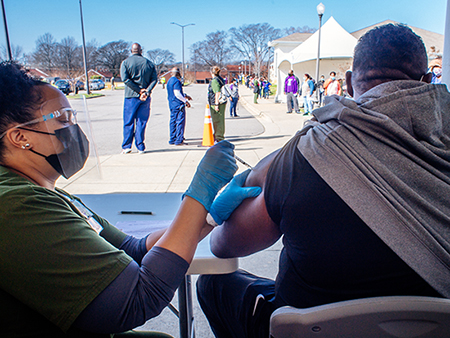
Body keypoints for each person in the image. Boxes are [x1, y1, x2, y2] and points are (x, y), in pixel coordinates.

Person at [196, 24, 450, 338]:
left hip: (307, 328)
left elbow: (223, 246)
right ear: (427, 81)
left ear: (346, 83)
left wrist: (217, 213)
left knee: (213, 283)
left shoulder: (305, 154)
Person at [0, 61, 263, 337]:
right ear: (19, 137)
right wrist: (200, 193)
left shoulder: (45, 193)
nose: (74, 130)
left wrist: (209, 216)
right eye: (63, 119)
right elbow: (137, 299)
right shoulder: (17, 206)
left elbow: (133, 249)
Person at [120, 43, 157, 154]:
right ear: (141, 50)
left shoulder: (125, 63)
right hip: (145, 97)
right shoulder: (149, 64)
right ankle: (140, 146)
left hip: (131, 96)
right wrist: (146, 91)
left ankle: (127, 146)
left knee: (129, 121)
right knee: (142, 122)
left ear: (131, 50)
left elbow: (125, 79)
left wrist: (137, 90)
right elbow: (154, 79)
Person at [167, 67, 192, 146]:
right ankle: (179, 140)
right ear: (178, 73)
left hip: (172, 104)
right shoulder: (177, 82)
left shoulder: (169, 81)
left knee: (173, 122)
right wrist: (185, 101)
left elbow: (174, 93)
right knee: (180, 122)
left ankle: (172, 139)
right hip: (178, 105)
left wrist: (185, 95)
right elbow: (177, 93)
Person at [208, 66, 227, 142]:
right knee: (220, 120)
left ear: (211, 72)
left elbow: (217, 92)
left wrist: (216, 104)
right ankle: (218, 135)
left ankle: (219, 137)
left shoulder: (214, 81)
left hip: (216, 102)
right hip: (222, 102)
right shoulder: (220, 79)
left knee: (217, 120)